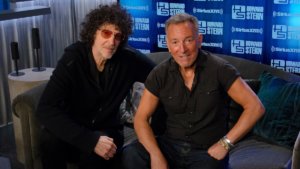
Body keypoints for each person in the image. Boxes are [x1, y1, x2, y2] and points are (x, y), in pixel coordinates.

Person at [122, 13, 265, 169]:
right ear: (168, 45)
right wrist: (156, 155)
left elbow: (255, 107)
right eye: (175, 42)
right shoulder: (159, 74)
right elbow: (141, 119)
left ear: (199, 40)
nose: (182, 49)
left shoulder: (220, 69)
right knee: (132, 153)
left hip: (206, 151)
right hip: (170, 146)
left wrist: (225, 144)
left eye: (188, 40)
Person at [36, 3, 155, 169]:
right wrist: (89, 140)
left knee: (97, 155)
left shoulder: (128, 59)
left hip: (107, 131)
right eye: (106, 33)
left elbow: (158, 74)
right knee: (48, 139)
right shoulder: (73, 59)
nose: (112, 41)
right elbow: (45, 108)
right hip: (73, 129)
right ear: (93, 33)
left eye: (117, 36)